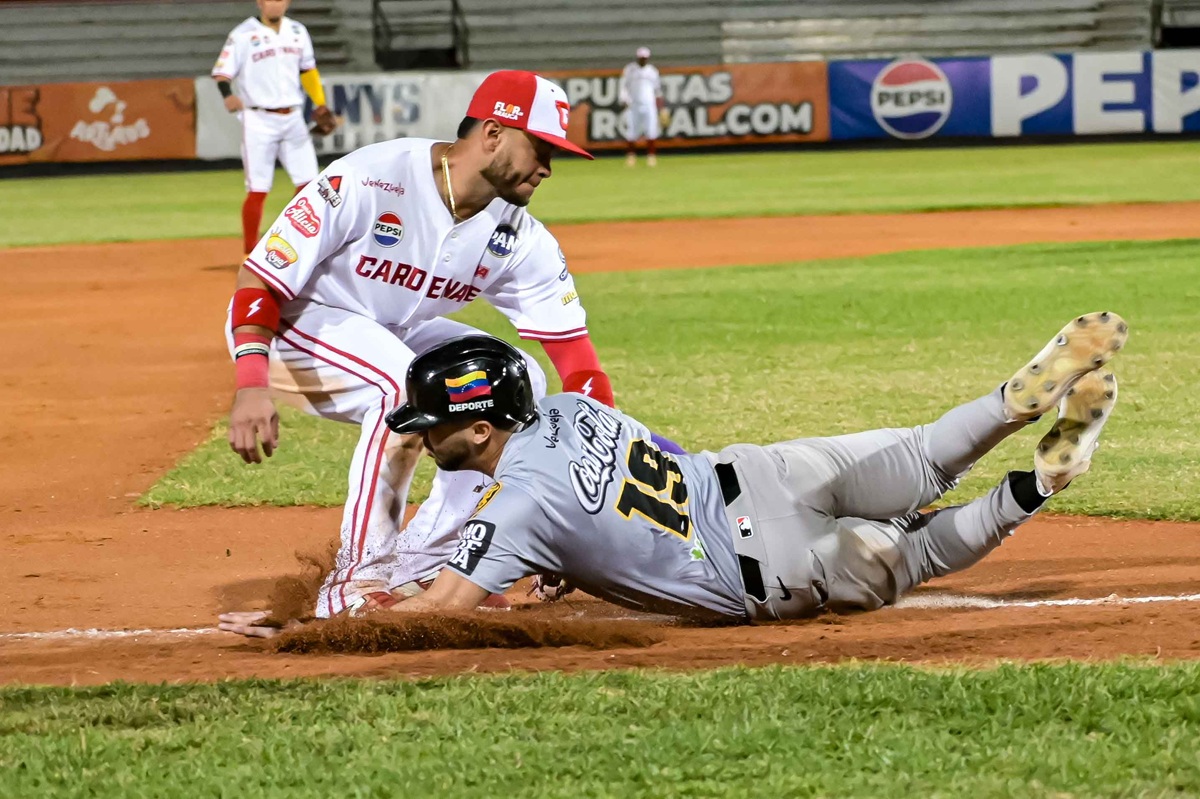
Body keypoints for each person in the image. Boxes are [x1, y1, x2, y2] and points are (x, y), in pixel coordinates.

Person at [219, 312, 1129, 637]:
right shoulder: (578, 409)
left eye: (435, 426)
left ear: (480, 424)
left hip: (762, 570)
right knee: (929, 451)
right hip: (762, 471)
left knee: (920, 553)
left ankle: (1040, 484)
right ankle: (1014, 403)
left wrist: (313, 629)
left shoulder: (516, 505)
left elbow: (439, 612)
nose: (425, 439)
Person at [224, 69, 623, 619]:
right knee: (400, 389)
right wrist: (250, 384)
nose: (548, 169)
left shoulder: (519, 235)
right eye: (541, 149)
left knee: (518, 379)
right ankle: (353, 588)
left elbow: (578, 365)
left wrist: (582, 485)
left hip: (389, 330)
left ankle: (429, 566)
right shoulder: (373, 177)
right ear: (492, 133)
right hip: (290, 323)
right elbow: (262, 281)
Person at [212, 0, 338, 260]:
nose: (276, 4)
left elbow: (308, 71)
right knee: (258, 189)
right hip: (258, 119)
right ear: (260, 2)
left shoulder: (297, 31)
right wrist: (227, 95)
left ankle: (294, 238)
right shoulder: (242, 34)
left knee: (309, 184)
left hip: (293, 116)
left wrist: (321, 103)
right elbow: (222, 73)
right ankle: (249, 251)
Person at [620, 46, 666, 167]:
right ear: (637, 58)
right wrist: (624, 98)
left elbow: (658, 90)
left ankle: (651, 156)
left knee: (651, 130)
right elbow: (624, 86)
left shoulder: (652, 71)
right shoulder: (630, 69)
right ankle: (631, 157)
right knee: (632, 130)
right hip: (634, 104)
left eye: (645, 58)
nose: (643, 60)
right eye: (641, 58)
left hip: (649, 104)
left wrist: (661, 107)